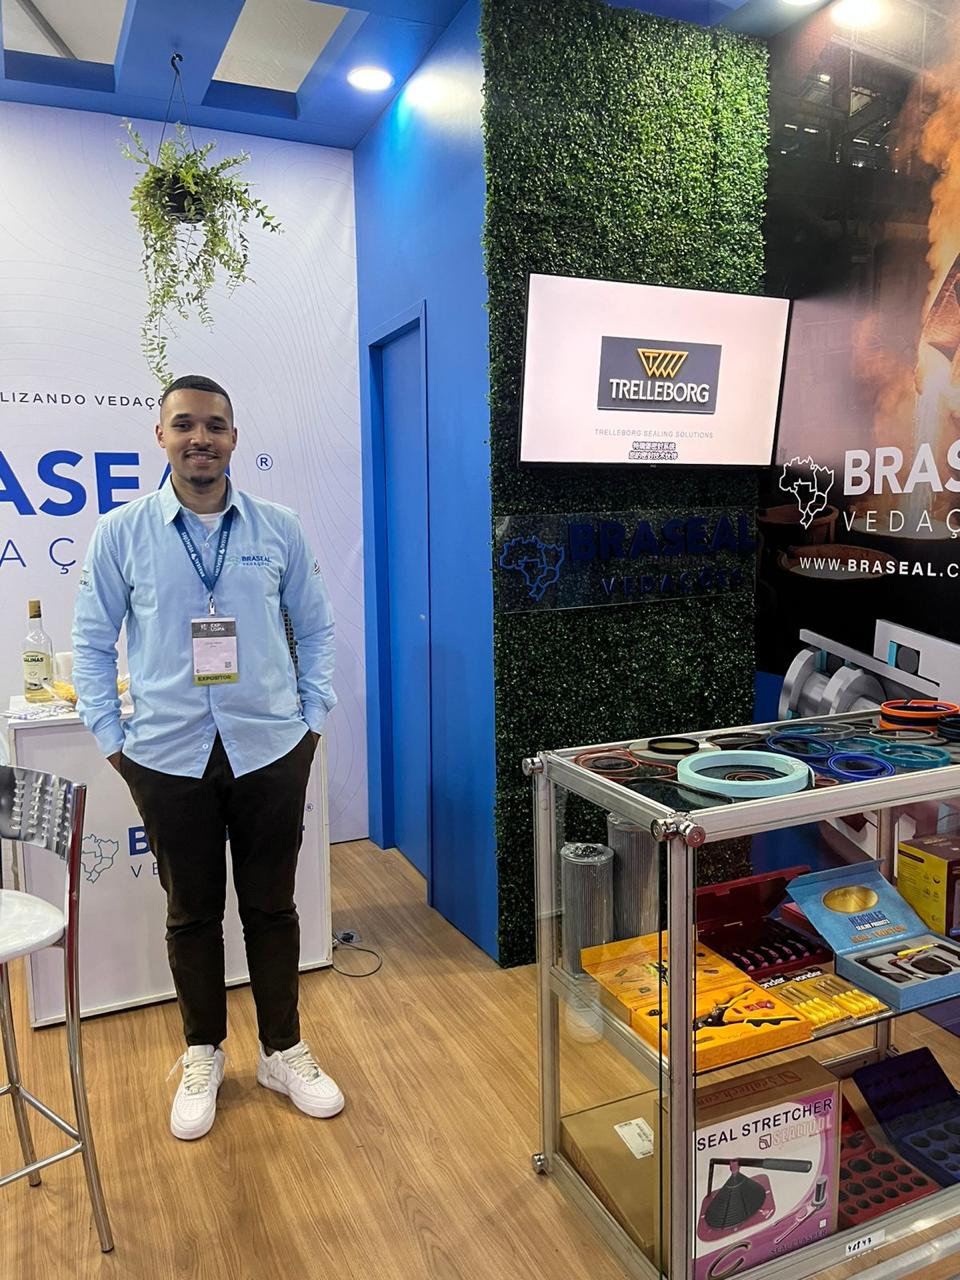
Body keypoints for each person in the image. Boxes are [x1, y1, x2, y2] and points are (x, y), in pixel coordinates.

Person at [72, 374, 344, 1140]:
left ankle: (283, 1051)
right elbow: (91, 643)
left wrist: (312, 721)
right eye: (185, 424)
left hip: (270, 749)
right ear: (161, 436)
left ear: (233, 438)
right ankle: (203, 1052)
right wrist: (114, 742)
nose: (201, 438)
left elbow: (317, 628)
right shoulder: (121, 533)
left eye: (215, 425)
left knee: (272, 909)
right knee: (191, 914)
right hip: (166, 755)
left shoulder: (278, 528)